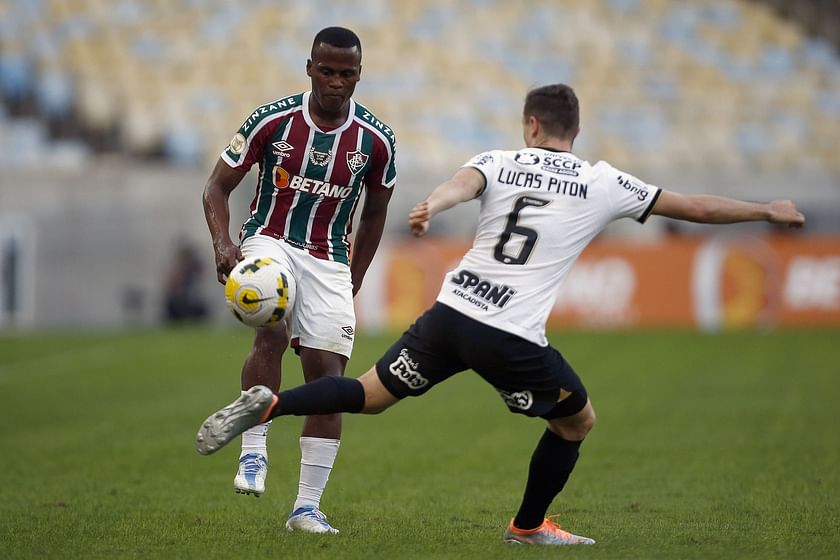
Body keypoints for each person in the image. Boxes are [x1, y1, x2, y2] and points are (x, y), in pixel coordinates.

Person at [196, 83, 804, 545]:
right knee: (577, 422)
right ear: (574, 129)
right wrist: (765, 210)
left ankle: (270, 404)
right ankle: (529, 526)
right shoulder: (602, 181)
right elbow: (692, 207)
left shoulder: (501, 160)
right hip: (509, 335)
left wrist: (432, 203)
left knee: (367, 394)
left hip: (450, 315)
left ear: (531, 125)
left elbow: (461, 184)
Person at [200, 26, 396, 534]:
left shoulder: (377, 141)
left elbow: (375, 216)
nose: (335, 81)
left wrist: (354, 275)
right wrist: (224, 243)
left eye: (345, 73)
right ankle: (253, 447)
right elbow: (217, 188)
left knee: (329, 380)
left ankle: (306, 507)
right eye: (326, 70)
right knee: (272, 321)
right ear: (309, 67)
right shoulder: (272, 121)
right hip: (269, 239)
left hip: (329, 257)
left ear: (359, 75)